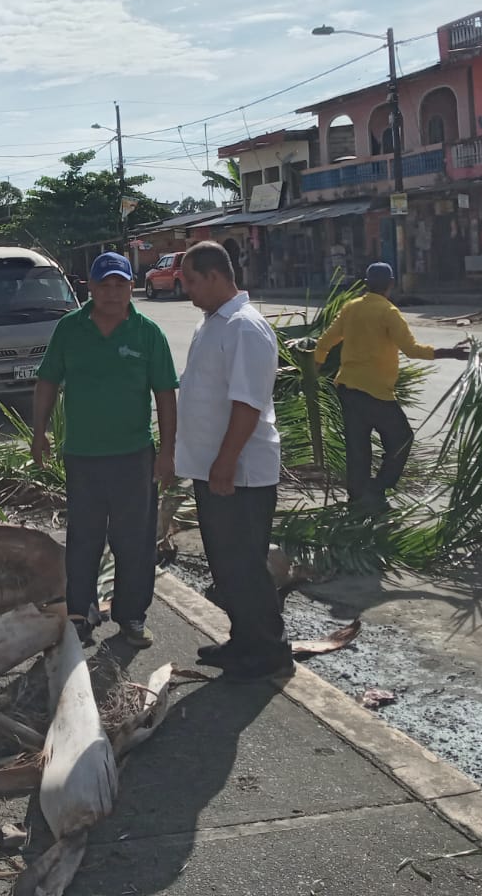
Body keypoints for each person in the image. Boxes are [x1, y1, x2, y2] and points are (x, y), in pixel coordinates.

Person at [32, 251, 178, 648]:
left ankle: (131, 616)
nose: (113, 292)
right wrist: (39, 432)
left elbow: (165, 394)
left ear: (131, 287)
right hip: (82, 456)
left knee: (135, 542)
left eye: (120, 284)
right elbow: (47, 381)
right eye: (105, 284)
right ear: (91, 288)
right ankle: (81, 614)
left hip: (134, 455)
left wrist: (167, 452)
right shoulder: (69, 329)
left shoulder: (148, 333)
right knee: (84, 538)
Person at [173, 241, 291, 681]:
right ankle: (244, 641)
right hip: (214, 469)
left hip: (239, 472)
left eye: (190, 280)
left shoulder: (245, 327)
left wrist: (226, 461)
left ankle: (270, 651)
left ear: (214, 276)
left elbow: (247, 403)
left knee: (245, 565)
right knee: (227, 566)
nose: (186, 289)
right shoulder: (213, 323)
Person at [313, 261, 469, 517]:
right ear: (391, 284)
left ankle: (357, 497)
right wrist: (450, 353)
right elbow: (412, 350)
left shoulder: (351, 308)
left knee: (357, 446)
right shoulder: (389, 312)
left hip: (348, 388)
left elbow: (325, 342)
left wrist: (314, 373)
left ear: (366, 284)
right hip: (375, 392)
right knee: (401, 438)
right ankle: (378, 487)